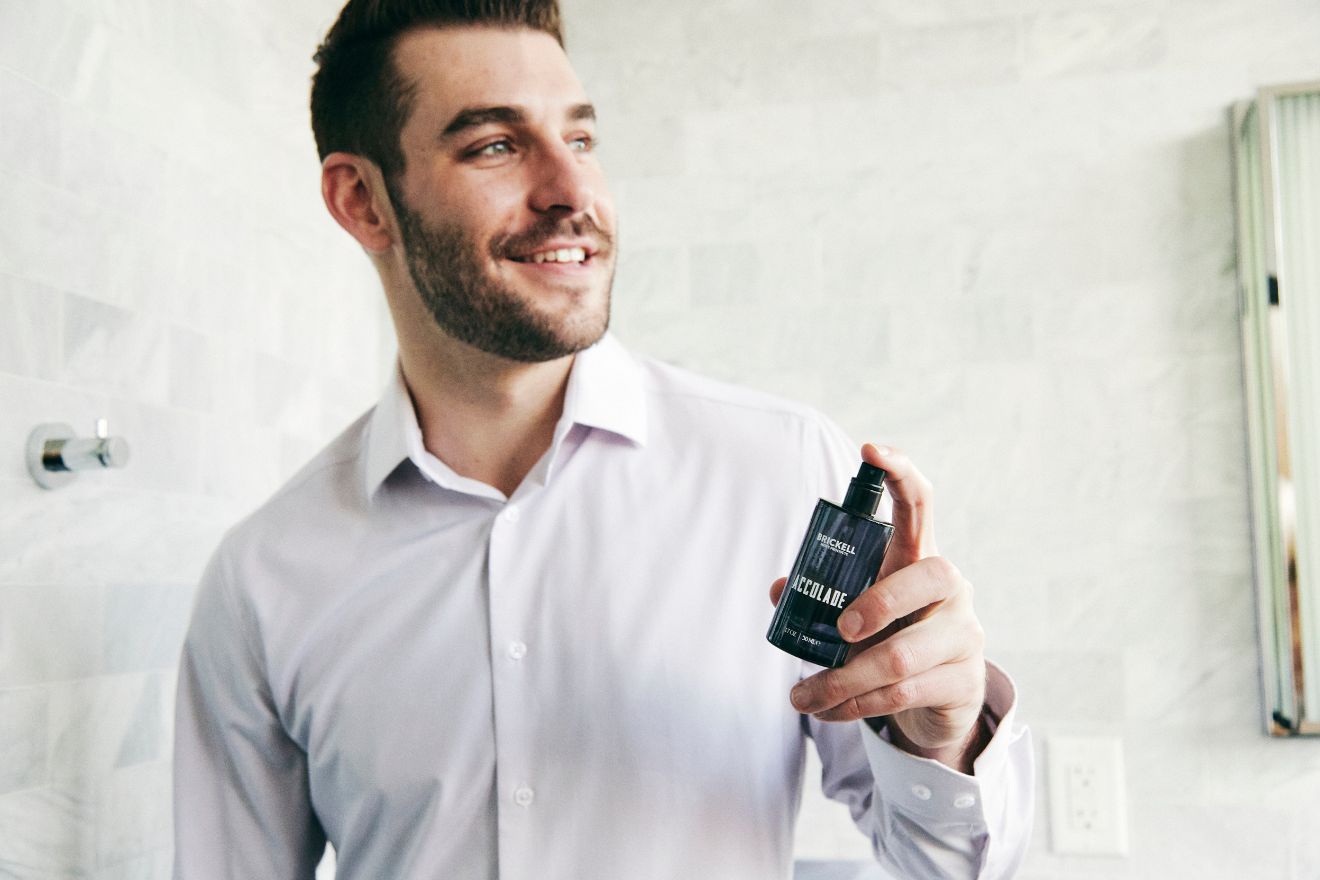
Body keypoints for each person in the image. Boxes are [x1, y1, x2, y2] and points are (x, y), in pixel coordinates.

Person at [172, 1, 1034, 878]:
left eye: (580, 141)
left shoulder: (781, 473)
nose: (571, 193)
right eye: (496, 146)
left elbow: (951, 869)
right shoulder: (263, 577)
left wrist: (945, 734)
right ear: (363, 202)